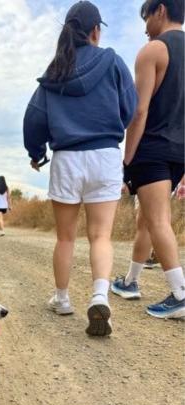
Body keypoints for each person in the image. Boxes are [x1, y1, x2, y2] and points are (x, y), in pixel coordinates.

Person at [23, 1, 137, 336]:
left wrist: (36, 152)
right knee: (100, 235)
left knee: (66, 237)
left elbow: (33, 118)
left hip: (67, 159)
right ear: (95, 31)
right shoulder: (113, 61)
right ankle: (99, 296)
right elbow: (129, 107)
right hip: (104, 155)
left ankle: (62, 299)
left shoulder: (54, 72)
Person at [111, 0, 185, 319]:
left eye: (146, 17)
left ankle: (180, 293)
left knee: (156, 220)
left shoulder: (153, 50)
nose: (144, 27)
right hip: (180, 151)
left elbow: (138, 111)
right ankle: (130, 281)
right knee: (147, 218)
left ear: (160, 10)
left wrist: (127, 159)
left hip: (153, 148)